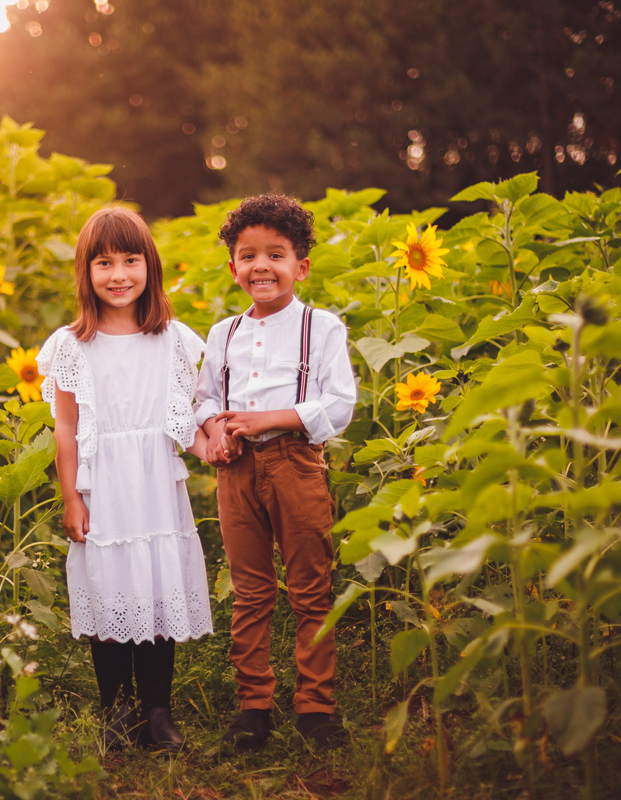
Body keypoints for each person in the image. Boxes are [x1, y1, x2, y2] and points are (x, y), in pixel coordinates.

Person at [37, 206, 213, 753]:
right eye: (104, 262)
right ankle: (115, 710)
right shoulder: (72, 345)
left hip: (157, 482)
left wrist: (217, 442)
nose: (119, 275)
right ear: (85, 272)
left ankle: (158, 711)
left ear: (149, 266)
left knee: (156, 587)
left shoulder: (175, 340)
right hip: (103, 484)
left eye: (130, 260)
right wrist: (71, 497)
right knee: (111, 589)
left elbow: (189, 417)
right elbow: (66, 429)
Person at [195, 194, 356, 752]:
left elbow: (339, 404)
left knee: (312, 589)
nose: (261, 265)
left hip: (296, 463)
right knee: (250, 591)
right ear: (234, 266)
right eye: (248, 255)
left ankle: (315, 706)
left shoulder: (322, 328)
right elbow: (205, 399)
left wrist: (269, 417)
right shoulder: (224, 334)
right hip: (236, 471)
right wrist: (215, 432)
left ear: (301, 266)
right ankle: (253, 705)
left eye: (276, 254)